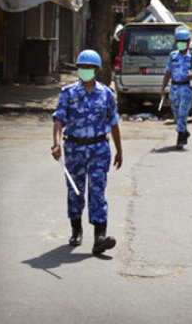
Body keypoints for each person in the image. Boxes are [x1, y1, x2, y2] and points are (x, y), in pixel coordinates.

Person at [51, 49, 122, 255]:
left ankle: (100, 236)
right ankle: (76, 230)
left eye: (90, 68)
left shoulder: (106, 94)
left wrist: (119, 149)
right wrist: (56, 144)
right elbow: (59, 120)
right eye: (82, 67)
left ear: (96, 70)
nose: (86, 71)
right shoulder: (68, 93)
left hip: (99, 149)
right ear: (78, 70)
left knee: (98, 192)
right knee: (76, 191)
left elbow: (114, 123)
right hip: (74, 149)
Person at [162, 30, 192, 149]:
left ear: (188, 42)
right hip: (174, 87)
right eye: (179, 42)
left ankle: (180, 137)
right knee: (175, 110)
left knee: (183, 112)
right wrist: (163, 87)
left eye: (183, 42)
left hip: (186, 87)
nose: (181, 44)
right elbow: (168, 72)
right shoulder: (173, 55)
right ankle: (184, 131)